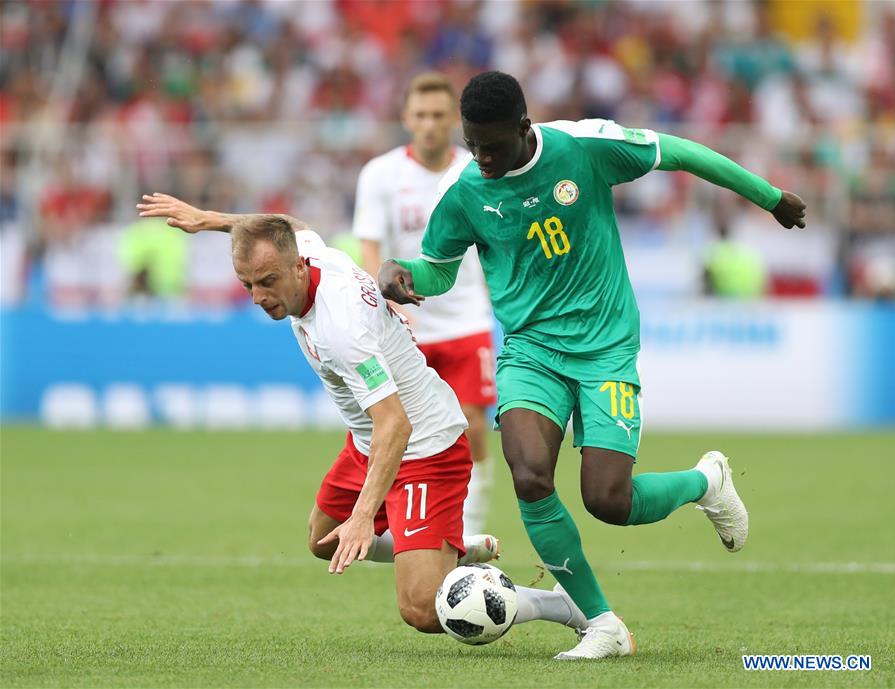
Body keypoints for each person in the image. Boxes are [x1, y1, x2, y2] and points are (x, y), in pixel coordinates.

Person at [379, 71, 808, 659]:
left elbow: (677, 151)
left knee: (608, 499)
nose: (479, 157)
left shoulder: (582, 146)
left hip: (605, 348)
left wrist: (770, 197)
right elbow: (439, 268)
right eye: (472, 143)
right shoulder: (466, 193)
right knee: (529, 473)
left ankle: (705, 482)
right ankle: (600, 622)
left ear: (525, 128)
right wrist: (404, 271)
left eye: (492, 145)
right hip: (530, 350)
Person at [135, 193, 591, 637]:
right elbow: (292, 226)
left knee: (424, 610)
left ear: (297, 268)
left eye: (267, 282)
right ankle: (450, 549)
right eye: (247, 284)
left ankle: (558, 603)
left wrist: (363, 514)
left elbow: (396, 423)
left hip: (425, 448)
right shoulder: (308, 255)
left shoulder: (342, 327)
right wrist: (210, 219)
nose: (257, 296)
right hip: (369, 440)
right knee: (323, 540)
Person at [353, 72, 496, 535]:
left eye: (438, 115)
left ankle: (467, 527)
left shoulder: (477, 171)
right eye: (421, 115)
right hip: (403, 322)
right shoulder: (380, 173)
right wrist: (384, 300)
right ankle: (394, 521)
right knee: (394, 423)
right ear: (406, 119)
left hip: (466, 317)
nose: (430, 124)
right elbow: (370, 244)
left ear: (453, 119)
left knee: (471, 422)